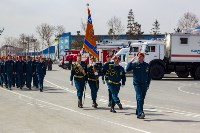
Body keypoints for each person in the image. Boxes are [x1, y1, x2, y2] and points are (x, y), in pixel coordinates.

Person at [126, 52, 151, 119]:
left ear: (143, 57)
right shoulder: (135, 64)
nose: (140, 58)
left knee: (141, 98)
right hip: (137, 84)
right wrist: (130, 62)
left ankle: (138, 111)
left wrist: (148, 84)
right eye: (139, 57)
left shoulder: (146, 65)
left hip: (144, 84)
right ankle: (141, 112)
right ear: (137, 57)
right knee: (139, 97)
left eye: (141, 56)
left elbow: (149, 76)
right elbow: (127, 69)